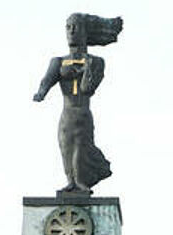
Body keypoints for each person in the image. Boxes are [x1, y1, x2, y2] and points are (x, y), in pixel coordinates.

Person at [33, 14, 123, 195]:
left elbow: (87, 88)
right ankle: (70, 182)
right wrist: (41, 93)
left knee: (81, 147)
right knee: (66, 146)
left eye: (76, 27)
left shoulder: (95, 61)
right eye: (68, 27)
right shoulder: (58, 61)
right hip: (67, 115)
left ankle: (80, 182)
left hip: (83, 114)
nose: (71, 31)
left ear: (85, 32)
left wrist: (86, 70)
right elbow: (46, 81)